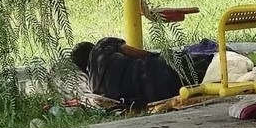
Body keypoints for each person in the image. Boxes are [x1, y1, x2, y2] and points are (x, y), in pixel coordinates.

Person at [70, 37, 212, 110]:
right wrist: (157, 56)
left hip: (158, 94)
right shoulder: (101, 46)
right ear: (91, 46)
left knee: (199, 78)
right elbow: (134, 52)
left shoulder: (95, 88)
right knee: (206, 62)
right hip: (158, 70)